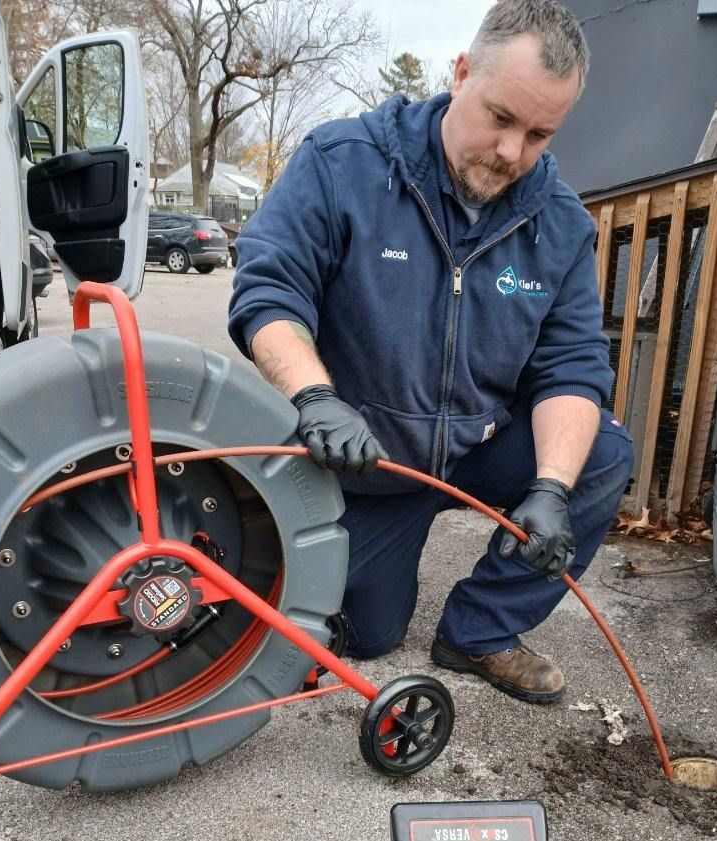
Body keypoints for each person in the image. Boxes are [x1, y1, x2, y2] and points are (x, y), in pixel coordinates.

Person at [228, 0, 633, 704]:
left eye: (540, 134)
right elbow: (269, 292)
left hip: (474, 448)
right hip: (360, 457)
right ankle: (366, 579)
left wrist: (551, 487)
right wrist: (314, 396)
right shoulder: (343, 162)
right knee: (366, 630)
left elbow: (571, 367)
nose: (513, 152)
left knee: (600, 456)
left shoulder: (560, 224)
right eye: (501, 118)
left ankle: (479, 631)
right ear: (462, 72)